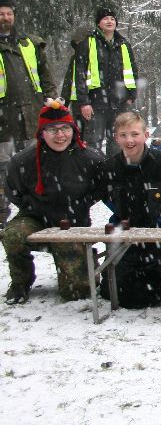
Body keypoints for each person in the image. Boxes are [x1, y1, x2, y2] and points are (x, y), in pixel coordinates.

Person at [2, 100, 105, 304]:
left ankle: (85, 260)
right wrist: (35, 206)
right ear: (42, 132)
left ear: (73, 130)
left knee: (77, 293)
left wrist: (79, 206)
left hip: (72, 222)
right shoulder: (23, 160)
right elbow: (13, 190)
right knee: (12, 235)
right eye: (52, 130)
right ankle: (21, 281)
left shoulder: (90, 158)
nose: (60, 135)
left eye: (65, 128)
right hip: (35, 218)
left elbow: (101, 188)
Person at [100, 111, 161, 308]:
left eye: (135, 134)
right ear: (116, 138)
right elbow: (106, 197)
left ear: (146, 135)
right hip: (126, 236)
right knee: (115, 290)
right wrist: (126, 215)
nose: (129, 140)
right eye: (123, 135)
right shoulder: (109, 168)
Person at [0, 0, 58, 222]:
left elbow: (45, 74)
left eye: (9, 13)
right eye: (1, 14)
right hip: (3, 119)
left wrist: (51, 98)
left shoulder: (29, 43)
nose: (5, 17)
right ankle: (2, 214)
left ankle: (36, 211)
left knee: (36, 164)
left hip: (32, 115)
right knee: (3, 168)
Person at [73, 7, 139, 154]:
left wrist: (131, 95)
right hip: (95, 102)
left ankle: (114, 168)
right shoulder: (87, 44)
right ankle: (94, 168)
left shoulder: (124, 44)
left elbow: (133, 71)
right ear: (98, 23)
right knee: (93, 142)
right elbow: (80, 74)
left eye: (112, 18)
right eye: (105, 18)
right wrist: (84, 102)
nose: (109, 21)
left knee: (117, 141)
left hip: (120, 103)